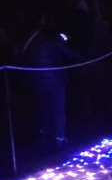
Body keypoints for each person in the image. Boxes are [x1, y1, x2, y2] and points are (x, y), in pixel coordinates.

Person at [21, 15, 79, 151]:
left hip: (37, 81)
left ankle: (44, 136)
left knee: (44, 109)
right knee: (58, 109)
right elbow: (68, 52)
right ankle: (60, 139)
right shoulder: (51, 39)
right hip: (55, 80)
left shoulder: (29, 41)